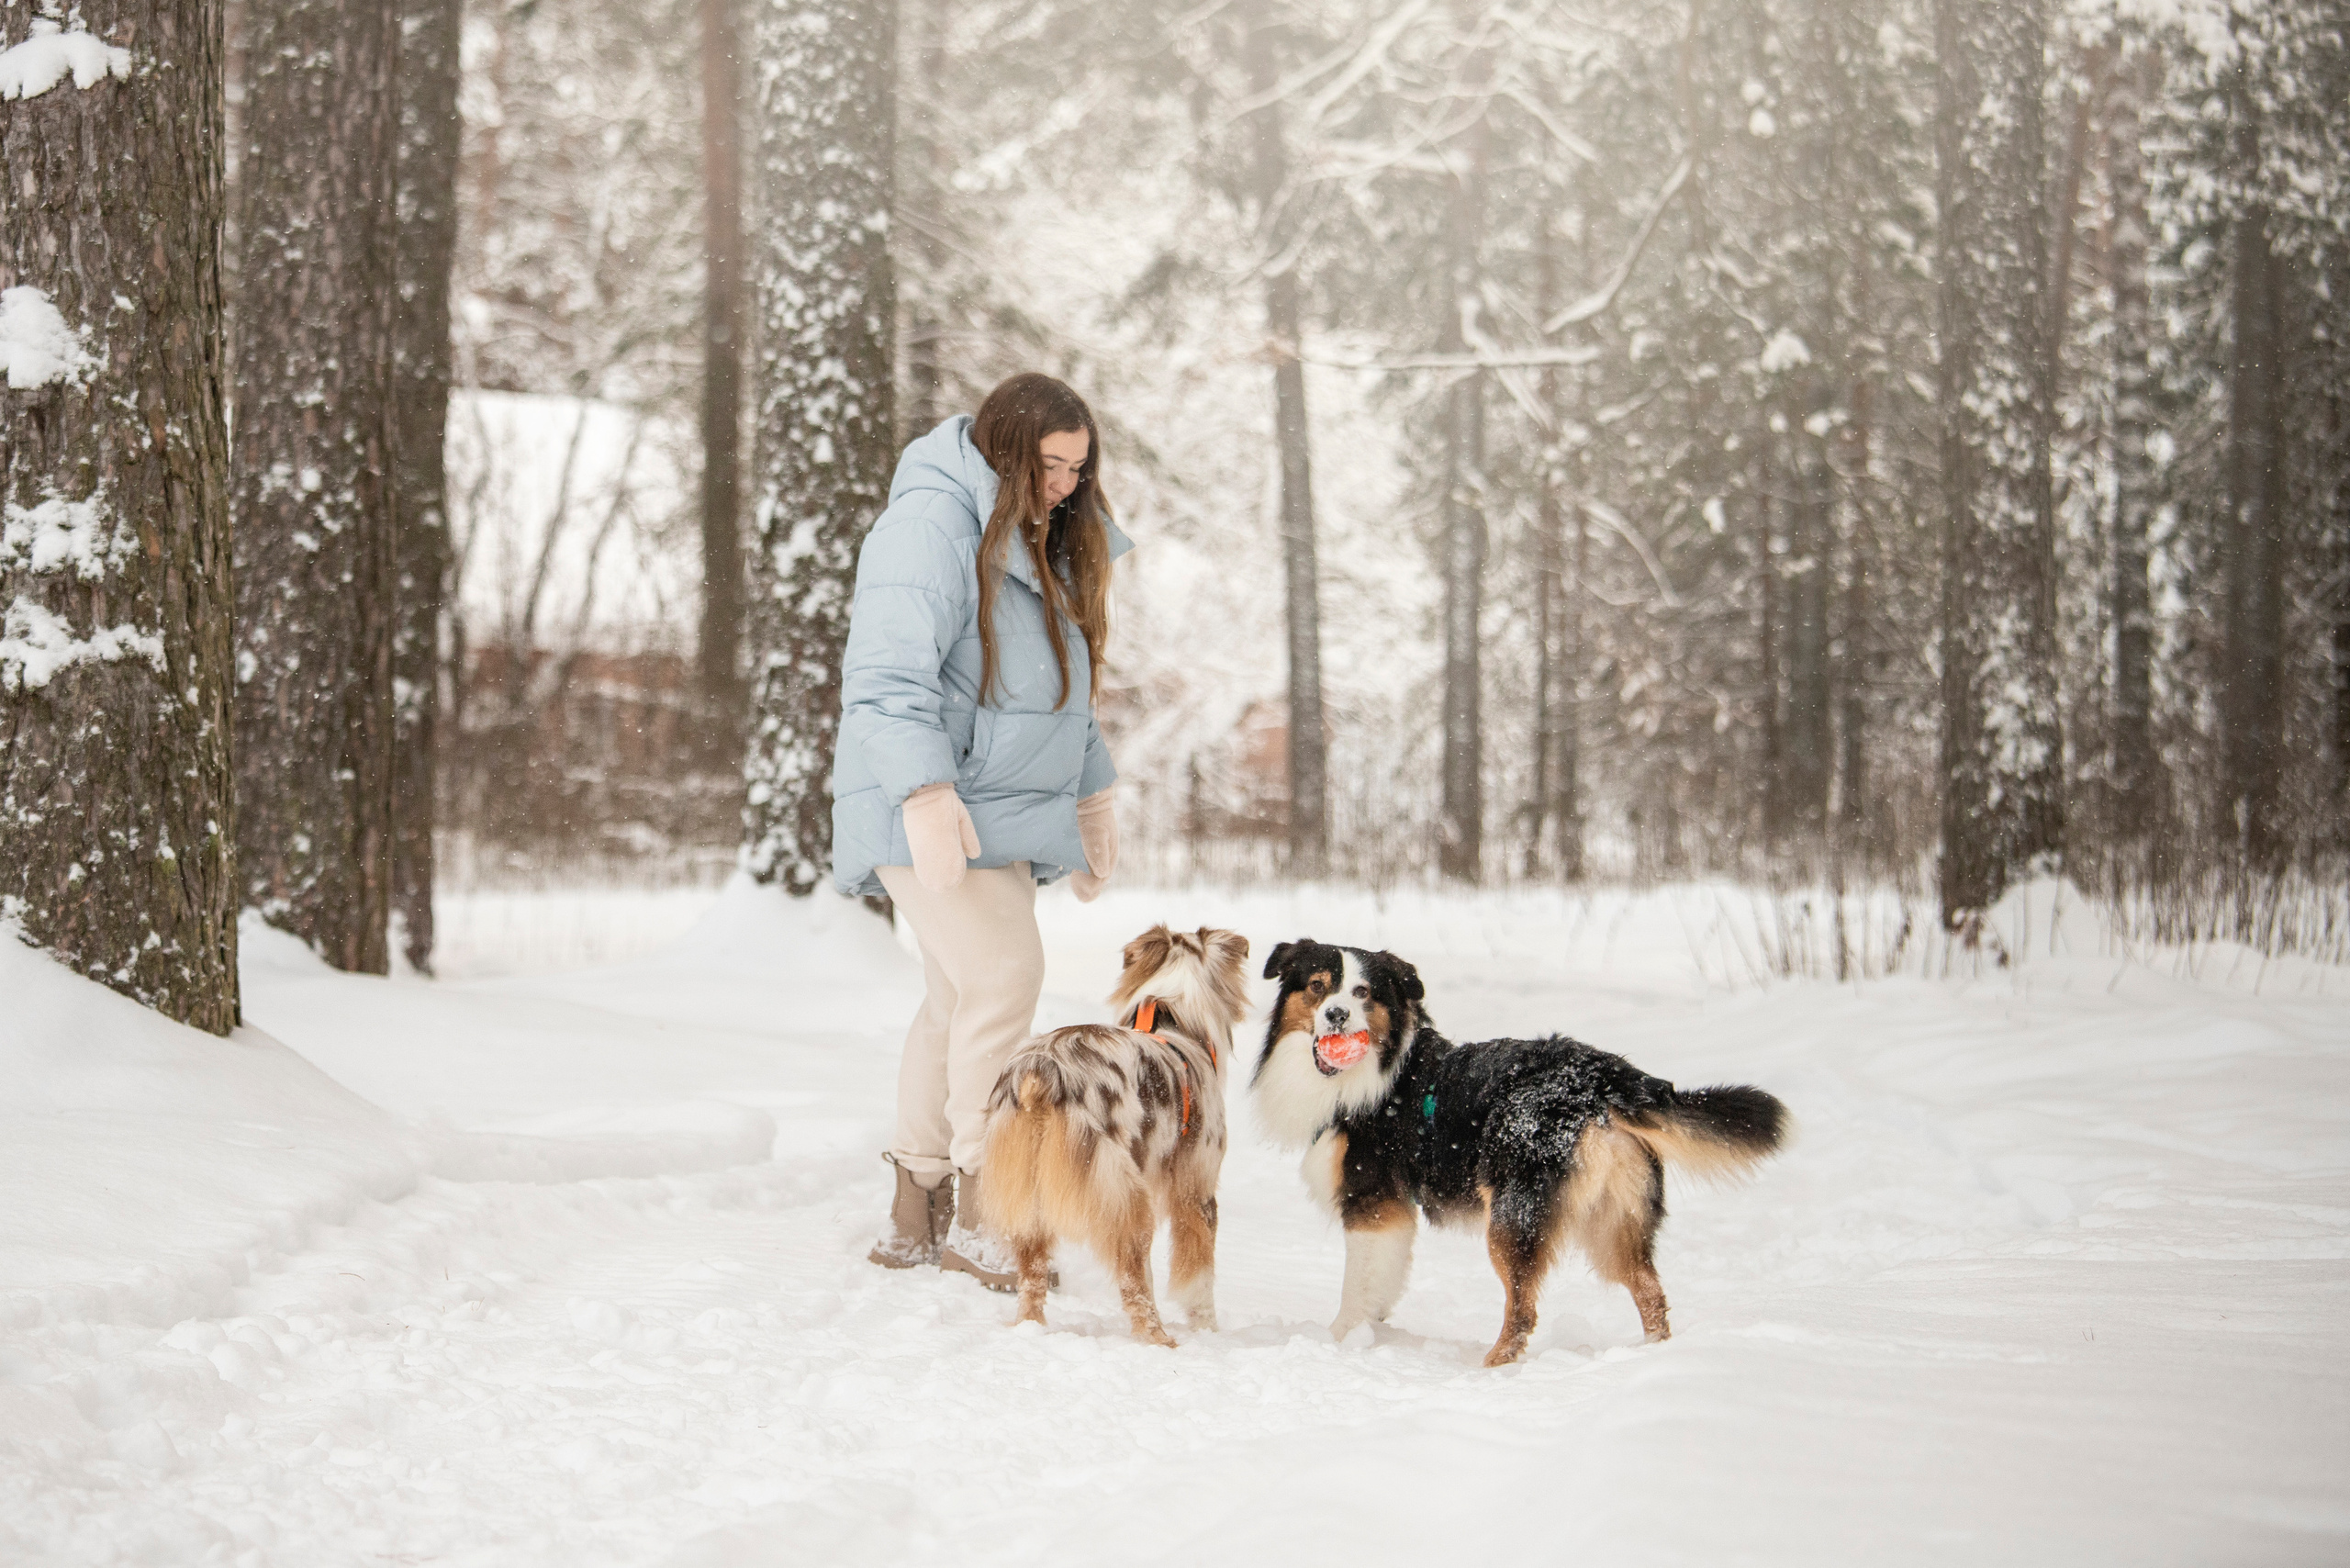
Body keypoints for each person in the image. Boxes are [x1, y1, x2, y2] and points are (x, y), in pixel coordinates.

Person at [832, 373, 1126, 1291]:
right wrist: (922, 791)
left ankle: (913, 1208)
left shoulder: (1042, 534)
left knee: (959, 998)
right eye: (1050, 465)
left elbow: (1053, 687)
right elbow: (885, 678)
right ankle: (987, 1207)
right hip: (927, 807)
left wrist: (1092, 794)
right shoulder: (929, 525)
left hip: (989, 809)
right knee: (1005, 978)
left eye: (1079, 468)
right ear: (1005, 454)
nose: (1067, 485)